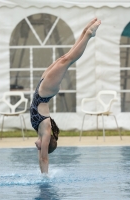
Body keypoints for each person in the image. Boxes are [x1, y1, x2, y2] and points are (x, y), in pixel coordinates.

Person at [30, 18, 101, 174]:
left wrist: (41, 165)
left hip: (41, 88)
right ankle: (88, 34)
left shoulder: (40, 133)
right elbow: (44, 159)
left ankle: (86, 30)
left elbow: (40, 158)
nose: (37, 148)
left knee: (63, 58)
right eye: (42, 148)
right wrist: (45, 177)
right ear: (45, 145)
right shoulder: (45, 131)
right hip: (45, 92)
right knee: (68, 60)